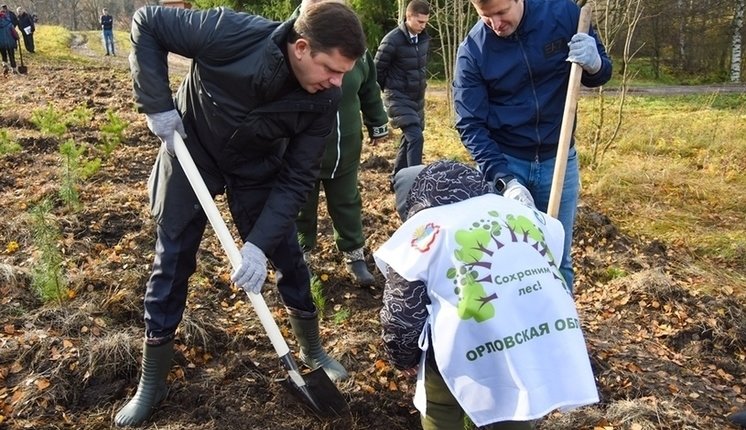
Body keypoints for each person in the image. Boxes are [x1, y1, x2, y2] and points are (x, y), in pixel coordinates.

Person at [115, 3, 366, 427]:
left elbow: (297, 177)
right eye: (331, 69)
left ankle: (312, 350)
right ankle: (152, 379)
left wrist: (257, 245)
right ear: (302, 47)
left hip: (257, 166)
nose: (337, 83)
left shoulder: (326, 98)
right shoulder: (229, 32)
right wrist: (156, 104)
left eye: (343, 73)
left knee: (287, 256)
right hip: (192, 148)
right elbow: (148, 23)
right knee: (172, 258)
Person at [375, 160, 599, 430]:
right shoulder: (517, 211)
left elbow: (402, 311)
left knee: (441, 407)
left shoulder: (423, 232)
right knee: (515, 399)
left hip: (459, 342)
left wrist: (404, 357)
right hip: (524, 332)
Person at [453, 0, 612, 292]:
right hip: (506, 160)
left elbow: (601, 73)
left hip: (559, 158)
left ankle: (557, 332)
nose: (496, 25)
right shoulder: (473, 51)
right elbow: (470, 124)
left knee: (557, 257)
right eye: (486, 17)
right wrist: (505, 181)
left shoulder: (564, 15)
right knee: (505, 261)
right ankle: (516, 332)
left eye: (502, 13)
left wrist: (596, 63)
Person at [292, 0, 389, 287]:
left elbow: (369, 86)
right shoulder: (293, 38)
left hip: (344, 145)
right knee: (300, 204)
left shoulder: (352, 43)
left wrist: (377, 122)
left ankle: (354, 253)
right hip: (301, 148)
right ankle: (300, 254)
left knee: (347, 201)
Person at [374, 0, 430, 178]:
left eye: (426, 22)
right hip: (397, 98)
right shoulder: (392, 40)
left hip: (416, 99)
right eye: (420, 22)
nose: (423, 26)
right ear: (408, 17)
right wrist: (390, 92)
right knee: (415, 137)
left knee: (409, 139)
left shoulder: (423, 39)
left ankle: (396, 178)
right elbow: (376, 71)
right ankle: (416, 183)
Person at [0, 6, 18, 74]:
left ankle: (5, 66)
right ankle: (14, 69)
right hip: (10, 43)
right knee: (11, 55)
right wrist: (17, 37)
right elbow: (14, 33)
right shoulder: (9, 24)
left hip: (1, 44)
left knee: (3, 55)